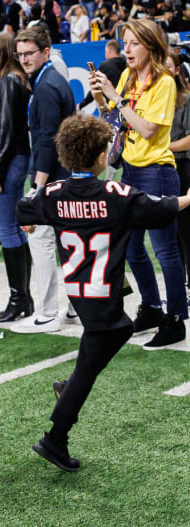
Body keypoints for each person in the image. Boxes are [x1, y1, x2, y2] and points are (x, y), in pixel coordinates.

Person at [18, 114, 190, 472]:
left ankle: (69, 385)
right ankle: (56, 437)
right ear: (101, 158)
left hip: (79, 290)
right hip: (102, 293)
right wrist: (188, 197)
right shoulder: (117, 195)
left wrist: (32, 219)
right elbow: (162, 209)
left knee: (121, 330)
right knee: (100, 351)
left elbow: (25, 210)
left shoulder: (53, 193)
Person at [90, 18, 187, 349]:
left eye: (133, 43)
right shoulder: (128, 77)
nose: (127, 50)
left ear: (150, 45)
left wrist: (115, 97)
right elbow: (117, 124)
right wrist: (104, 101)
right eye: (125, 43)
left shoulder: (165, 82)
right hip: (131, 169)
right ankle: (152, 307)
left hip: (157, 171)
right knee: (131, 248)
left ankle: (175, 320)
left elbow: (147, 130)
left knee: (165, 250)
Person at [13, 26, 76, 334]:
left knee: (40, 239)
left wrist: (37, 187)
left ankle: (48, 313)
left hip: (54, 177)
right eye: (20, 54)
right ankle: (74, 307)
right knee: (67, 242)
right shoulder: (49, 80)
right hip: (63, 176)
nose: (24, 59)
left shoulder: (48, 86)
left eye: (30, 53)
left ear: (45, 52)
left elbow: (49, 140)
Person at [0, 32, 34, 323]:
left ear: (4, 51)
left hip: (9, 161)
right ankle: (23, 298)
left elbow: (8, 130)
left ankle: (19, 299)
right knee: (14, 228)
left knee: (8, 229)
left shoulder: (10, 80)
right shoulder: (12, 79)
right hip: (12, 159)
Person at [167, 52, 190, 288]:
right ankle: (178, 286)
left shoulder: (186, 99)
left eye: (168, 66)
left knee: (185, 230)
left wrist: (162, 146)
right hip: (163, 168)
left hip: (183, 168)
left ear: (176, 70)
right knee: (170, 233)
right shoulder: (154, 100)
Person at [78, 40, 127, 111]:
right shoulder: (127, 65)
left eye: (105, 51)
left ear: (109, 50)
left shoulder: (106, 65)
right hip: (126, 105)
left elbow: (95, 87)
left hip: (112, 107)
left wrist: (82, 104)